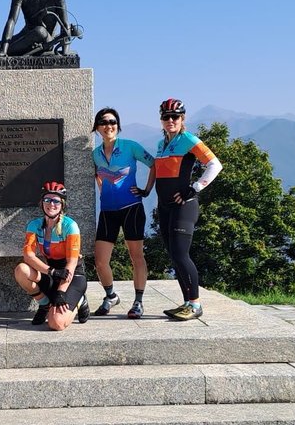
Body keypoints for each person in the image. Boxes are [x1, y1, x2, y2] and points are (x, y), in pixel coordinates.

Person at [153, 98, 223, 320]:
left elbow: (215, 164)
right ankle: (186, 302)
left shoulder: (189, 139)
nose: (170, 120)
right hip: (165, 207)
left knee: (182, 255)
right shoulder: (161, 144)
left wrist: (195, 188)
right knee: (174, 255)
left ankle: (195, 305)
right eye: (166, 117)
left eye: (175, 116)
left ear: (182, 118)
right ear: (161, 119)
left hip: (184, 206)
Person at [91, 107, 155, 318]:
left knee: (136, 256)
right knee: (100, 261)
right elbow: (98, 175)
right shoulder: (95, 154)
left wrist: (146, 190)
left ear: (118, 125)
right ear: (97, 128)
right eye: (103, 122)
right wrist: (103, 191)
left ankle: (138, 301)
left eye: (112, 122)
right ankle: (111, 296)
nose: (108, 125)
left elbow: (154, 164)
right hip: (108, 210)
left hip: (131, 208)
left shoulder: (130, 146)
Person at [14, 181, 91, 330]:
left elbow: (72, 263)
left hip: (72, 276)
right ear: (41, 203)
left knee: (56, 323)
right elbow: (28, 256)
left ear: (62, 204)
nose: (51, 204)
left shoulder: (71, 226)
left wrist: (61, 292)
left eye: (56, 201)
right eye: (47, 200)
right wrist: (51, 272)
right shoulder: (34, 225)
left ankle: (80, 300)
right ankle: (44, 305)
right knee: (21, 270)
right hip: (51, 273)